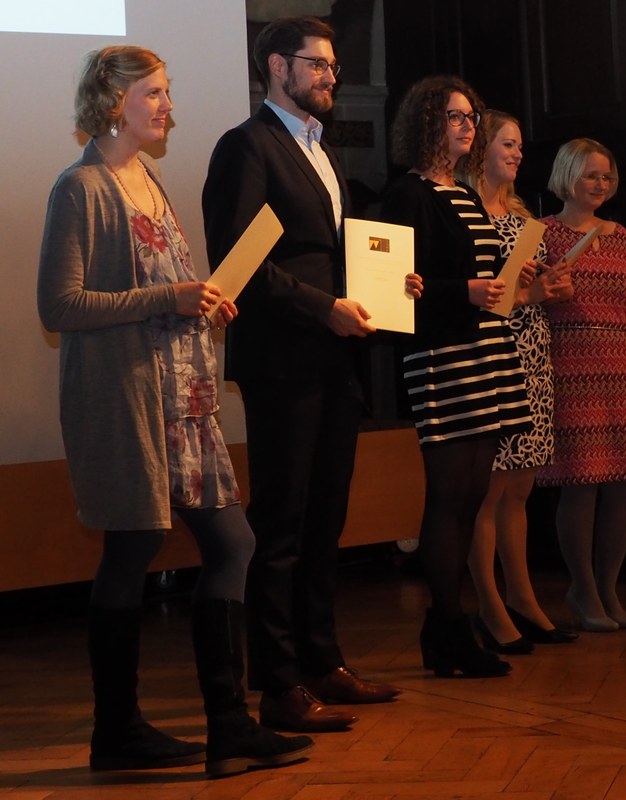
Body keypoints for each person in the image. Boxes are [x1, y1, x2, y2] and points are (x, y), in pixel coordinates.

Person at [36, 45, 314, 778]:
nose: (167, 106)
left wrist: (202, 297)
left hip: (182, 399)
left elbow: (160, 285)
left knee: (230, 544)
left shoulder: (145, 179)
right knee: (135, 554)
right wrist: (171, 297)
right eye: (153, 93)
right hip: (128, 404)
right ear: (113, 99)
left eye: (166, 92)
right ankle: (123, 729)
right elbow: (58, 305)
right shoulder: (83, 187)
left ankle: (221, 727)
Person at [202, 16, 401, 733]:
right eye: (316, 65)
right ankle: (278, 683)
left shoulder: (320, 150)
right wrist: (325, 309)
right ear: (276, 67)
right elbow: (239, 260)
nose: (329, 77)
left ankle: (323, 662)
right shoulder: (245, 146)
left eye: (332, 66)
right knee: (282, 523)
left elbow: (328, 253)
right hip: (283, 360)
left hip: (334, 356)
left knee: (326, 519)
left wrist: (385, 290)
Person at [380, 77, 533, 678]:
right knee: (448, 497)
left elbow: (482, 281)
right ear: (425, 123)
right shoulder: (407, 196)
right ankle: (446, 626)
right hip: (442, 355)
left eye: (471, 117)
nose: (468, 127)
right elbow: (394, 291)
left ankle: (450, 626)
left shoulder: (465, 195)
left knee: (473, 496)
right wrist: (461, 291)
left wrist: (514, 287)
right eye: (454, 117)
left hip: (487, 350)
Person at [537, 138, 626, 631]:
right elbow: (529, 299)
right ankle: (582, 590)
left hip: (621, 365)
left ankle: (609, 589)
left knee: (624, 487)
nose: (600, 184)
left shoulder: (621, 236)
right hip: (570, 363)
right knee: (581, 483)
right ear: (566, 175)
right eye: (590, 174)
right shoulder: (542, 233)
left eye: (606, 176)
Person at [464, 110, 577, 654]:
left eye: (520, 146)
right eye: (507, 144)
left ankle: (523, 597)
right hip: (486, 355)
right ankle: (487, 603)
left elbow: (525, 292)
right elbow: (478, 299)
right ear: (480, 148)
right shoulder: (463, 212)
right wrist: (527, 295)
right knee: (488, 490)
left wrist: (550, 287)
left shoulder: (523, 218)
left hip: (531, 351)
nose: (517, 154)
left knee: (520, 488)